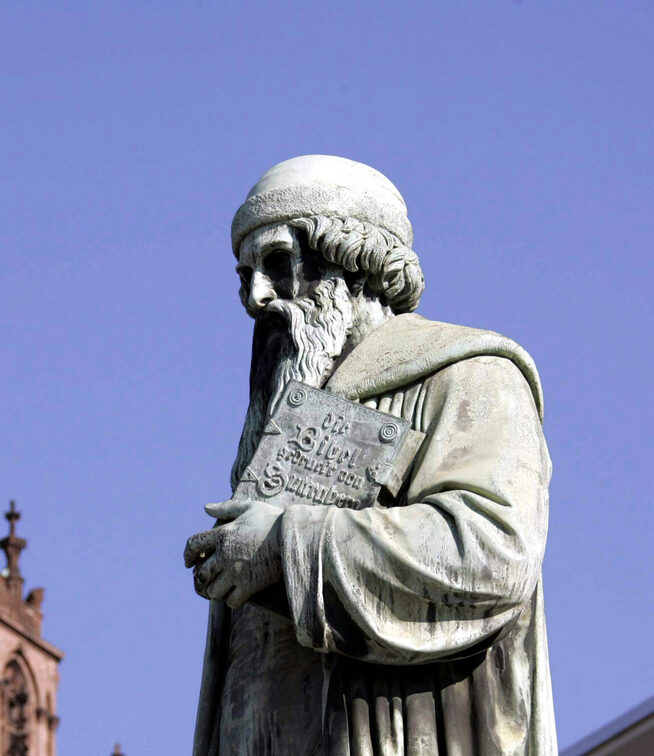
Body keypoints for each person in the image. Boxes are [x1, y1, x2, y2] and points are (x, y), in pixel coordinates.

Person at [183, 155, 556, 755]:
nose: (256, 297)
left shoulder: (471, 377)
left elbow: (494, 551)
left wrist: (285, 546)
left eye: (279, 263)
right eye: (243, 274)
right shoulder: (275, 425)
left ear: (354, 261)